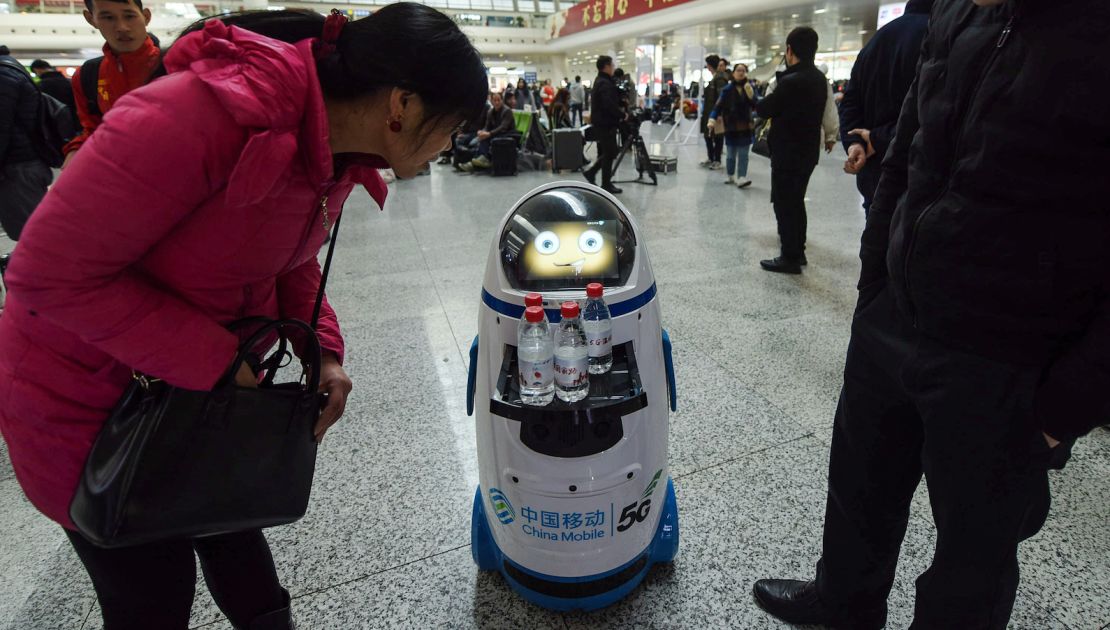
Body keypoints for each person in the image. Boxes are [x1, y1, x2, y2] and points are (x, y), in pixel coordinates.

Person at [0, 5, 486, 629]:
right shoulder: (197, 117)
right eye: (453, 127)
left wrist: (323, 351)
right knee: (154, 593)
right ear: (404, 105)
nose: (453, 145)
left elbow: (286, 251)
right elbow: (47, 274)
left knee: (239, 542)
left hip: (202, 402)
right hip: (94, 408)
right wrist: (220, 361)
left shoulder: (334, 144)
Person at [754, 0, 1110, 627]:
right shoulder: (957, 15)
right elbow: (913, 146)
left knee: (974, 556)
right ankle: (842, 603)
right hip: (896, 314)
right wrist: (874, 284)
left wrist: (1069, 405)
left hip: (1007, 354)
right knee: (860, 491)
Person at [840, 0, 932, 215]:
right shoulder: (936, 37)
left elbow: (850, 101)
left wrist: (856, 143)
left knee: (874, 229)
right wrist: (879, 138)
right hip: (912, 170)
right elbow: (930, 114)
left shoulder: (877, 40)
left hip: (873, 170)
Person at [753, 27, 827, 274]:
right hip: (807, 152)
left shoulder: (790, 81)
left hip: (787, 153)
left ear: (789, 50)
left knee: (785, 204)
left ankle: (789, 257)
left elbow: (764, 108)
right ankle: (799, 251)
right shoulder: (818, 78)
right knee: (797, 202)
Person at [63, 0, 161, 168]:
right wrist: (75, 150)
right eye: (108, 17)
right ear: (91, 19)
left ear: (146, 16)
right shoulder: (87, 75)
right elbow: (93, 128)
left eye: (129, 16)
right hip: (118, 174)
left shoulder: (174, 65)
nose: (122, 27)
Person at [0, 46, 53, 242]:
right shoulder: (8, 70)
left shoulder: (4, 75)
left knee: (34, 237)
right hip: (20, 163)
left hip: (18, 167)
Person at [707, 63, 756, 188]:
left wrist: (752, 96)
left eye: (743, 70)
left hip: (745, 126)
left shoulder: (748, 88)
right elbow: (718, 106)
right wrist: (712, 119)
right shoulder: (727, 89)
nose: (741, 72)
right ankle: (730, 175)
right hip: (731, 127)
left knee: (744, 155)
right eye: (738, 70)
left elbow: (756, 105)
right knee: (730, 155)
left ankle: (742, 177)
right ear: (733, 73)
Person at [582, 55, 622, 195]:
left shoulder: (600, 80)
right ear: (606, 66)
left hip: (602, 122)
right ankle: (604, 183)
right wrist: (621, 114)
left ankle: (592, 173)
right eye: (612, 65)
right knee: (610, 152)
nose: (613, 68)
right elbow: (608, 104)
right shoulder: (604, 83)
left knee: (609, 152)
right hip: (605, 123)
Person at [458, 91, 515, 172]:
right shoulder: (491, 111)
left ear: (502, 100)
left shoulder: (507, 111)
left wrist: (489, 133)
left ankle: (478, 161)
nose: (497, 102)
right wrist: (482, 132)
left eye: (499, 100)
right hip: (495, 134)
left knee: (485, 139)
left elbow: (503, 127)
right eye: (495, 100)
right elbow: (487, 126)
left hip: (506, 134)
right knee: (480, 139)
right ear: (491, 101)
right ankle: (479, 160)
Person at [700, 55, 729, 169]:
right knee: (708, 135)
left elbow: (722, 97)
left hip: (717, 113)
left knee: (718, 136)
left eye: (708, 64)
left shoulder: (720, 79)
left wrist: (720, 113)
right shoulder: (714, 78)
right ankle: (711, 157)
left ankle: (717, 160)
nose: (707, 66)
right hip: (709, 112)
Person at [30, 59, 78, 127]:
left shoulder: (40, 85)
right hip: (72, 121)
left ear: (37, 70)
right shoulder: (69, 82)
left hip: (51, 123)